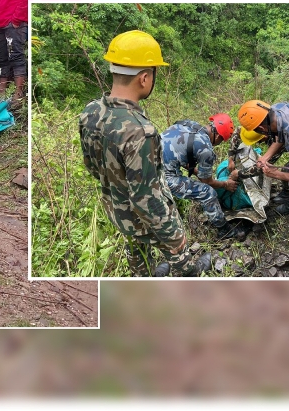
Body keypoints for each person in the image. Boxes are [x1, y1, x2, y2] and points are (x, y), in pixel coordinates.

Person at [78, 30, 211, 277]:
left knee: (135, 247)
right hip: (143, 214)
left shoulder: (91, 111)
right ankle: (189, 274)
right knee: (177, 250)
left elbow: (91, 164)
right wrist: (174, 235)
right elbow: (145, 197)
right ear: (144, 78)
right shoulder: (141, 131)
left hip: (115, 206)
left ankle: (144, 276)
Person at [237, 100, 289, 218]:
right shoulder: (274, 111)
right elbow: (280, 135)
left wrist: (275, 174)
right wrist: (266, 157)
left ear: (262, 128)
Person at [160, 114, 236, 239]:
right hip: (161, 176)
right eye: (221, 140)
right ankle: (225, 231)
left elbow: (181, 156)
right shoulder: (206, 149)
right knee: (207, 192)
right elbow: (207, 182)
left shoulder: (187, 124)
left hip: (146, 162)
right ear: (217, 136)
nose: (219, 143)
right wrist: (226, 184)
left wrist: (198, 172)